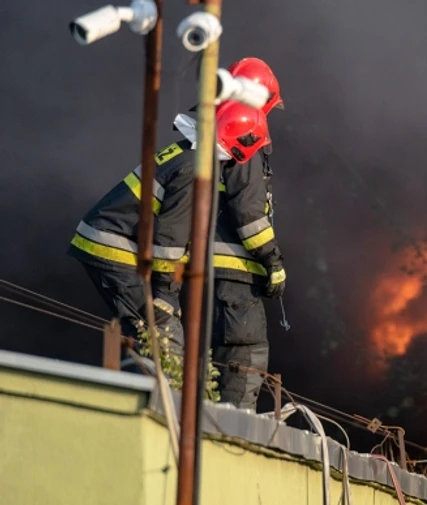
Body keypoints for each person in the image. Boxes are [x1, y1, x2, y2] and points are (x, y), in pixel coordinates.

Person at [68, 100, 271, 369]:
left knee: (153, 333)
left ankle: (154, 384)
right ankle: (162, 392)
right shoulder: (197, 169)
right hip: (114, 247)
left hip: (112, 240)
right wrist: (165, 295)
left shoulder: (189, 151)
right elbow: (170, 239)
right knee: (164, 334)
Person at [174, 57, 287, 410]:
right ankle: (230, 435)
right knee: (244, 357)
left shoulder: (205, 129)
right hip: (233, 279)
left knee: (202, 364)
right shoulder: (243, 135)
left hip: (198, 272)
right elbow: (249, 213)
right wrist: (273, 261)